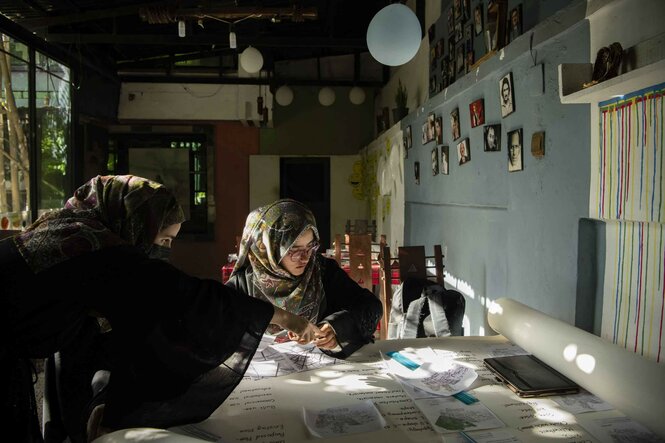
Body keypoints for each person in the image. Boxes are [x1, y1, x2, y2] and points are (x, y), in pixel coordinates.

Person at [0, 175, 319, 442]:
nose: (165, 252)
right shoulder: (96, 250)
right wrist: (282, 316)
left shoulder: (72, 234)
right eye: (164, 241)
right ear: (136, 224)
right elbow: (188, 297)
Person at [226, 199, 383, 359]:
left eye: (311, 246)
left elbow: (371, 306)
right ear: (268, 249)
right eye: (293, 250)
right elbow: (216, 326)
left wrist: (335, 328)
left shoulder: (322, 271)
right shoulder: (243, 285)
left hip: (319, 372)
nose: (305, 258)